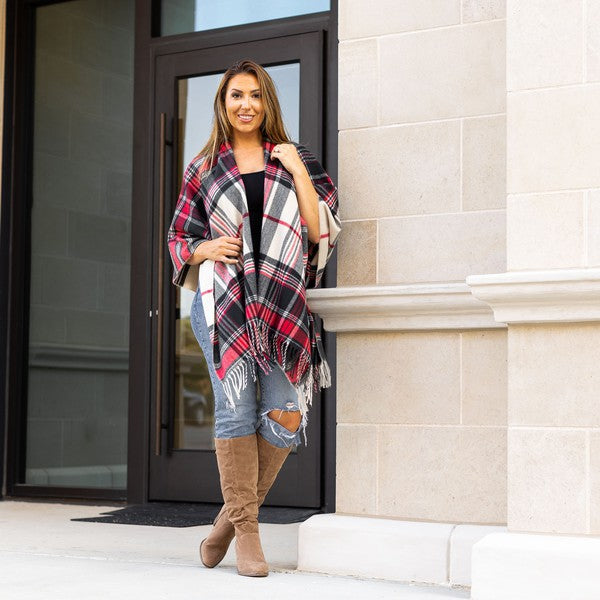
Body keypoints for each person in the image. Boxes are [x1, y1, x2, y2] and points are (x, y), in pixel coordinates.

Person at [167, 59, 341, 577]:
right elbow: (177, 240)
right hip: (222, 305)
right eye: (235, 95)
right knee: (236, 412)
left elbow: (318, 230)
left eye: (256, 95)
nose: (246, 105)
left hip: (282, 304)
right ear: (223, 103)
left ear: (269, 102)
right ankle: (249, 536)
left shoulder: (295, 157)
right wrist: (203, 248)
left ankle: (225, 523)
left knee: (286, 414)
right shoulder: (203, 167)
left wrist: (297, 170)